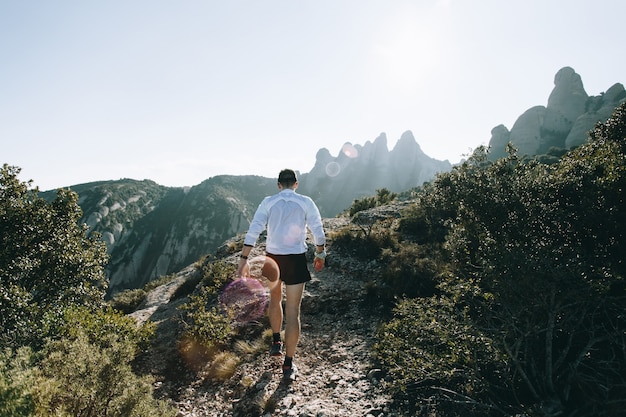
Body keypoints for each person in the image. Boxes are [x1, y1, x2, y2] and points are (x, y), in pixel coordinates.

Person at [237, 169, 326, 380]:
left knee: (275, 300)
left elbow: (254, 230)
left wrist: (243, 259)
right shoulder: (306, 201)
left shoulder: (268, 202)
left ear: (278, 185)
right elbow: (317, 229)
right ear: (296, 183)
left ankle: (276, 340)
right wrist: (320, 254)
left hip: (272, 259)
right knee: (294, 310)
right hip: (295, 259)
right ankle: (288, 364)